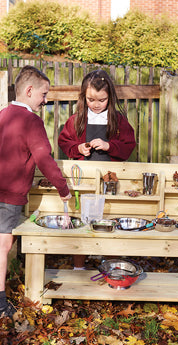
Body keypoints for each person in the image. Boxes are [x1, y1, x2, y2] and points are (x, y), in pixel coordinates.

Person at [0, 65, 72, 318]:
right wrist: (63, 188)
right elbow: (44, 157)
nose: (45, 100)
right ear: (29, 91)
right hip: (9, 192)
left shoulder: (3, 114)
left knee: (2, 241)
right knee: (4, 244)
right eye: (43, 94)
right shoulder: (32, 121)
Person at [58, 69, 136, 268]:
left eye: (101, 100)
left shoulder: (118, 121)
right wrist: (77, 148)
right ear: (84, 97)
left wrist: (110, 146)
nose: (96, 104)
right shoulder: (76, 120)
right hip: (83, 179)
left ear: (110, 98)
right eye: (91, 100)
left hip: (110, 180)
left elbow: (129, 145)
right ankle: (78, 265)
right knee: (82, 218)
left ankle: (110, 263)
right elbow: (63, 141)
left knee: (109, 218)